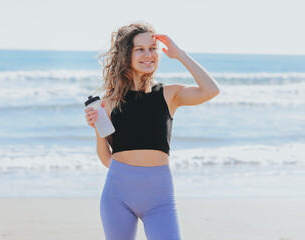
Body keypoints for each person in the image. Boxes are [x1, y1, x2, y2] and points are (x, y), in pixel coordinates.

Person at [84, 21, 220, 240]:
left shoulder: (168, 94)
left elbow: (211, 90)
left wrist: (180, 54)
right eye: (140, 49)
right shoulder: (109, 103)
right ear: (126, 54)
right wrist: (96, 128)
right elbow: (106, 158)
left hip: (160, 198)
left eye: (152, 49)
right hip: (117, 195)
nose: (148, 54)